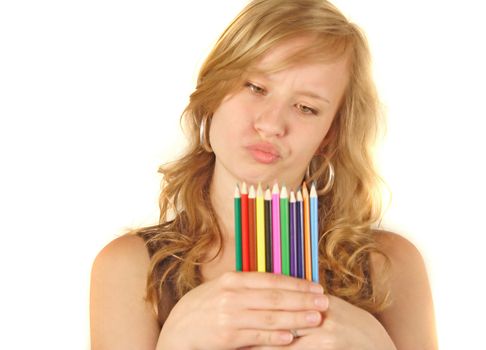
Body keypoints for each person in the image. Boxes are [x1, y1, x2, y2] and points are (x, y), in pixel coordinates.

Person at [90, 0, 437, 349]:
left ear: (329, 134)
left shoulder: (389, 266)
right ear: (214, 91)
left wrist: (378, 345)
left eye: (306, 108)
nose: (271, 125)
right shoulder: (130, 268)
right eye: (255, 87)